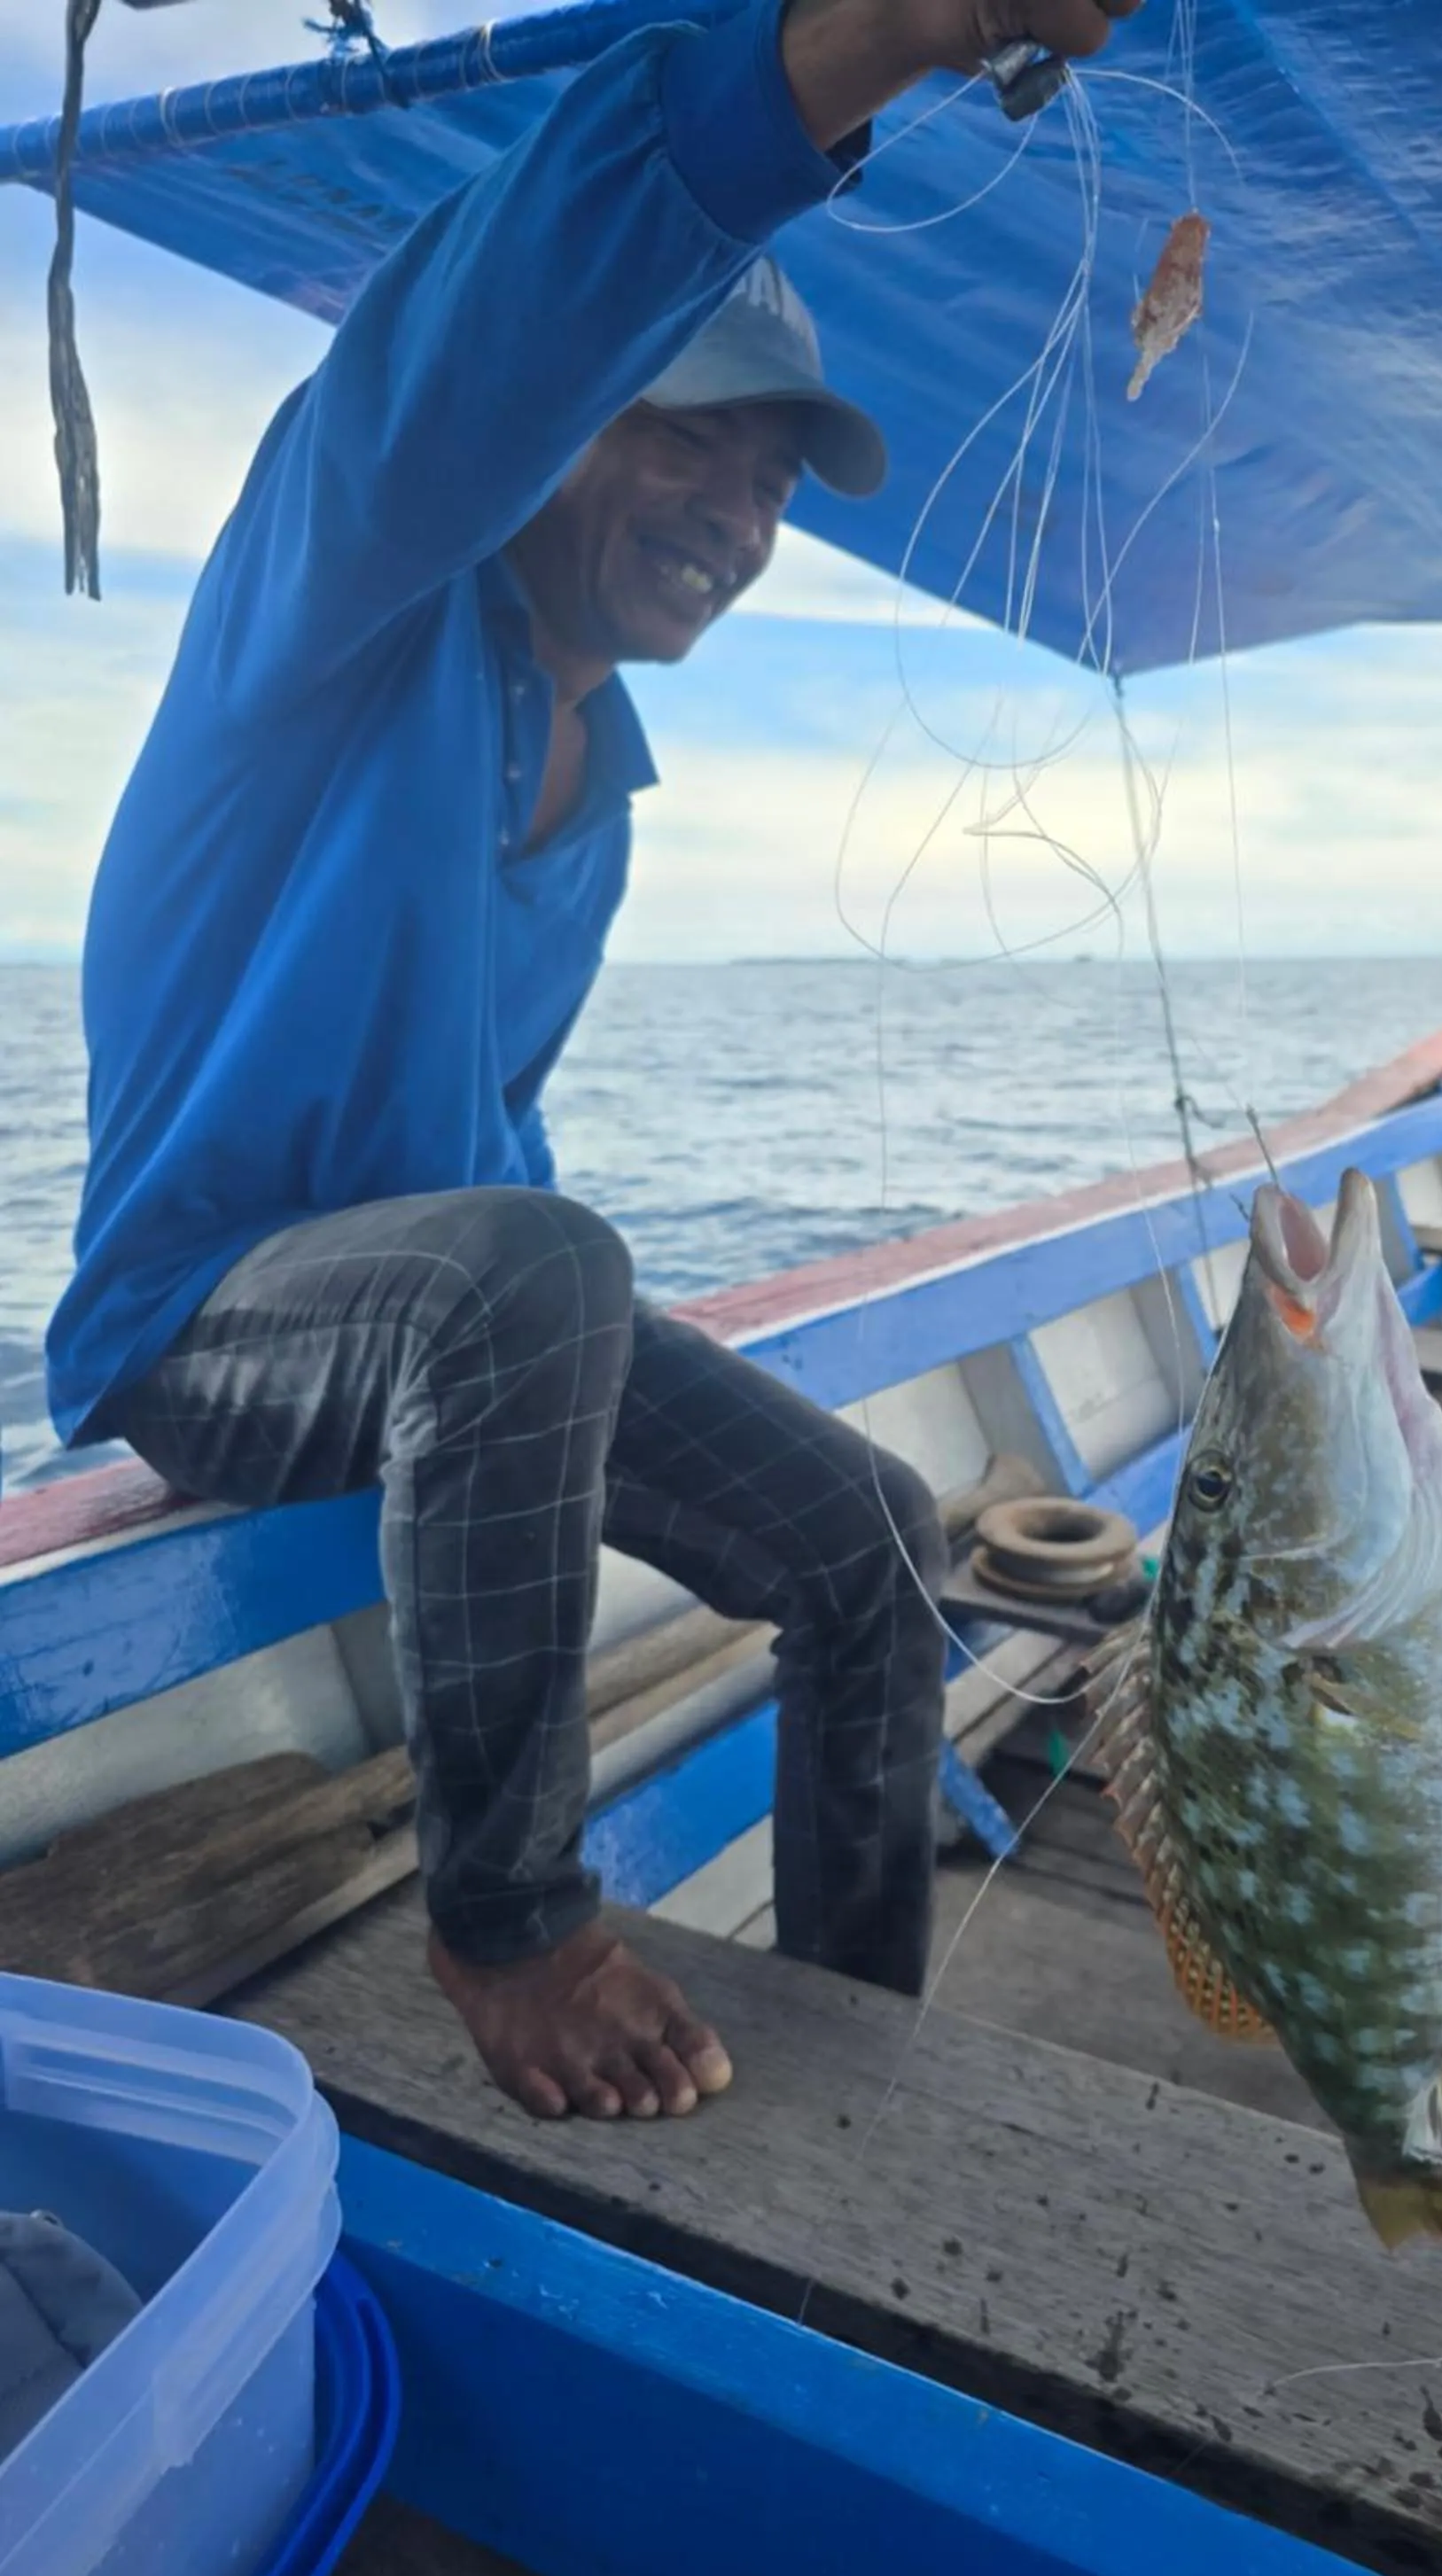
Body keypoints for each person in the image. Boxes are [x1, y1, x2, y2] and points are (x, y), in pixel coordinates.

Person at [43, 0, 1135, 2124]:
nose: (730, 510)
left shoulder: (601, 784)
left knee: (874, 1531)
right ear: (549, 429)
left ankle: (863, 2054)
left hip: (442, 1340)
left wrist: (572, 1359)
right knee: (539, 1262)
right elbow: (491, 314)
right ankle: (512, 1920)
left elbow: (490, 1149)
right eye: (679, 435)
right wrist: (876, 41)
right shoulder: (340, 596)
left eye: (765, 480)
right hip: (199, 1325)